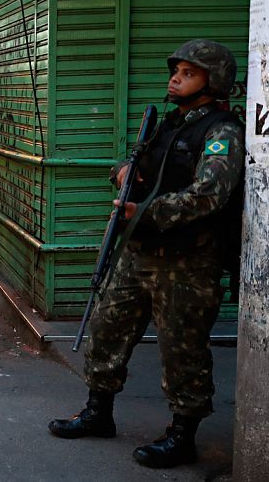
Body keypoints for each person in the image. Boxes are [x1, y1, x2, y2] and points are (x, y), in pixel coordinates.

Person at [47, 39, 245, 469]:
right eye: (176, 70)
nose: (175, 78)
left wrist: (145, 212)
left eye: (189, 73)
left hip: (187, 262)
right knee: (107, 330)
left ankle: (182, 435)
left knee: (183, 350)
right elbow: (140, 165)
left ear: (214, 82)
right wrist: (122, 171)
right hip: (138, 254)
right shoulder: (169, 123)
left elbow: (209, 195)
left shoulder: (221, 131)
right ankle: (98, 413)